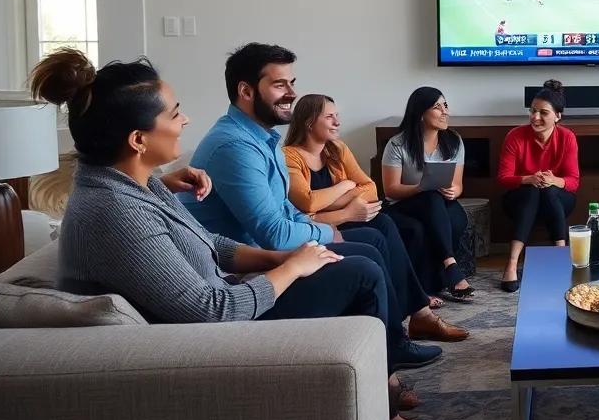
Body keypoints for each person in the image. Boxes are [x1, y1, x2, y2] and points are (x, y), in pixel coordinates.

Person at [33, 49, 458, 420]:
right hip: (210, 335)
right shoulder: (116, 212)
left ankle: (382, 369)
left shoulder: (134, 185)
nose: (186, 120)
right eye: (175, 113)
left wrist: (282, 258)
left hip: (227, 294)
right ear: (138, 140)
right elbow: (211, 309)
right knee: (361, 273)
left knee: (354, 256)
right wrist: (289, 269)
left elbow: (212, 244)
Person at [186, 43, 468, 344]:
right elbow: (285, 224)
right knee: (367, 256)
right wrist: (331, 223)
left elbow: (296, 207)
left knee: (379, 231)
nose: (292, 94)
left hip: (277, 242)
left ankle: (414, 319)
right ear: (246, 91)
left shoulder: (264, 140)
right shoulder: (237, 147)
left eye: (292, 84)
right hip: (252, 262)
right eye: (280, 85)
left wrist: (326, 223)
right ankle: (396, 345)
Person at [282, 94, 445, 311]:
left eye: (336, 116)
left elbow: (371, 189)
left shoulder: (337, 149)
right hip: (315, 226)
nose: (337, 122)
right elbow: (308, 203)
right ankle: (409, 304)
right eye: (330, 117)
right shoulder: (289, 156)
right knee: (380, 231)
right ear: (309, 122)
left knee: (385, 223)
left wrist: (337, 200)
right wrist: (346, 189)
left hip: (335, 218)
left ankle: (412, 305)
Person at [380, 87, 474, 303]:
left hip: (438, 202)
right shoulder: (397, 144)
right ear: (421, 113)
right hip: (403, 203)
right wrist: (419, 188)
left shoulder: (453, 140)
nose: (445, 112)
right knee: (427, 206)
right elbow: (390, 189)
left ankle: (435, 281)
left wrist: (453, 191)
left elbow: (458, 185)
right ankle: (450, 265)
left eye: (446, 106)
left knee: (457, 216)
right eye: (437, 107)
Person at [496, 79, 580, 292]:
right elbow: (503, 178)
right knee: (533, 191)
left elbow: (573, 181)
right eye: (533, 111)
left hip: (557, 199)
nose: (535, 117)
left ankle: (560, 259)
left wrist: (553, 180)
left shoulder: (567, 137)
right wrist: (529, 178)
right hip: (520, 199)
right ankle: (513, 263)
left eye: (543, 113)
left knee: (549, 190)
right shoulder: (515, 136)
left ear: (558, 116)